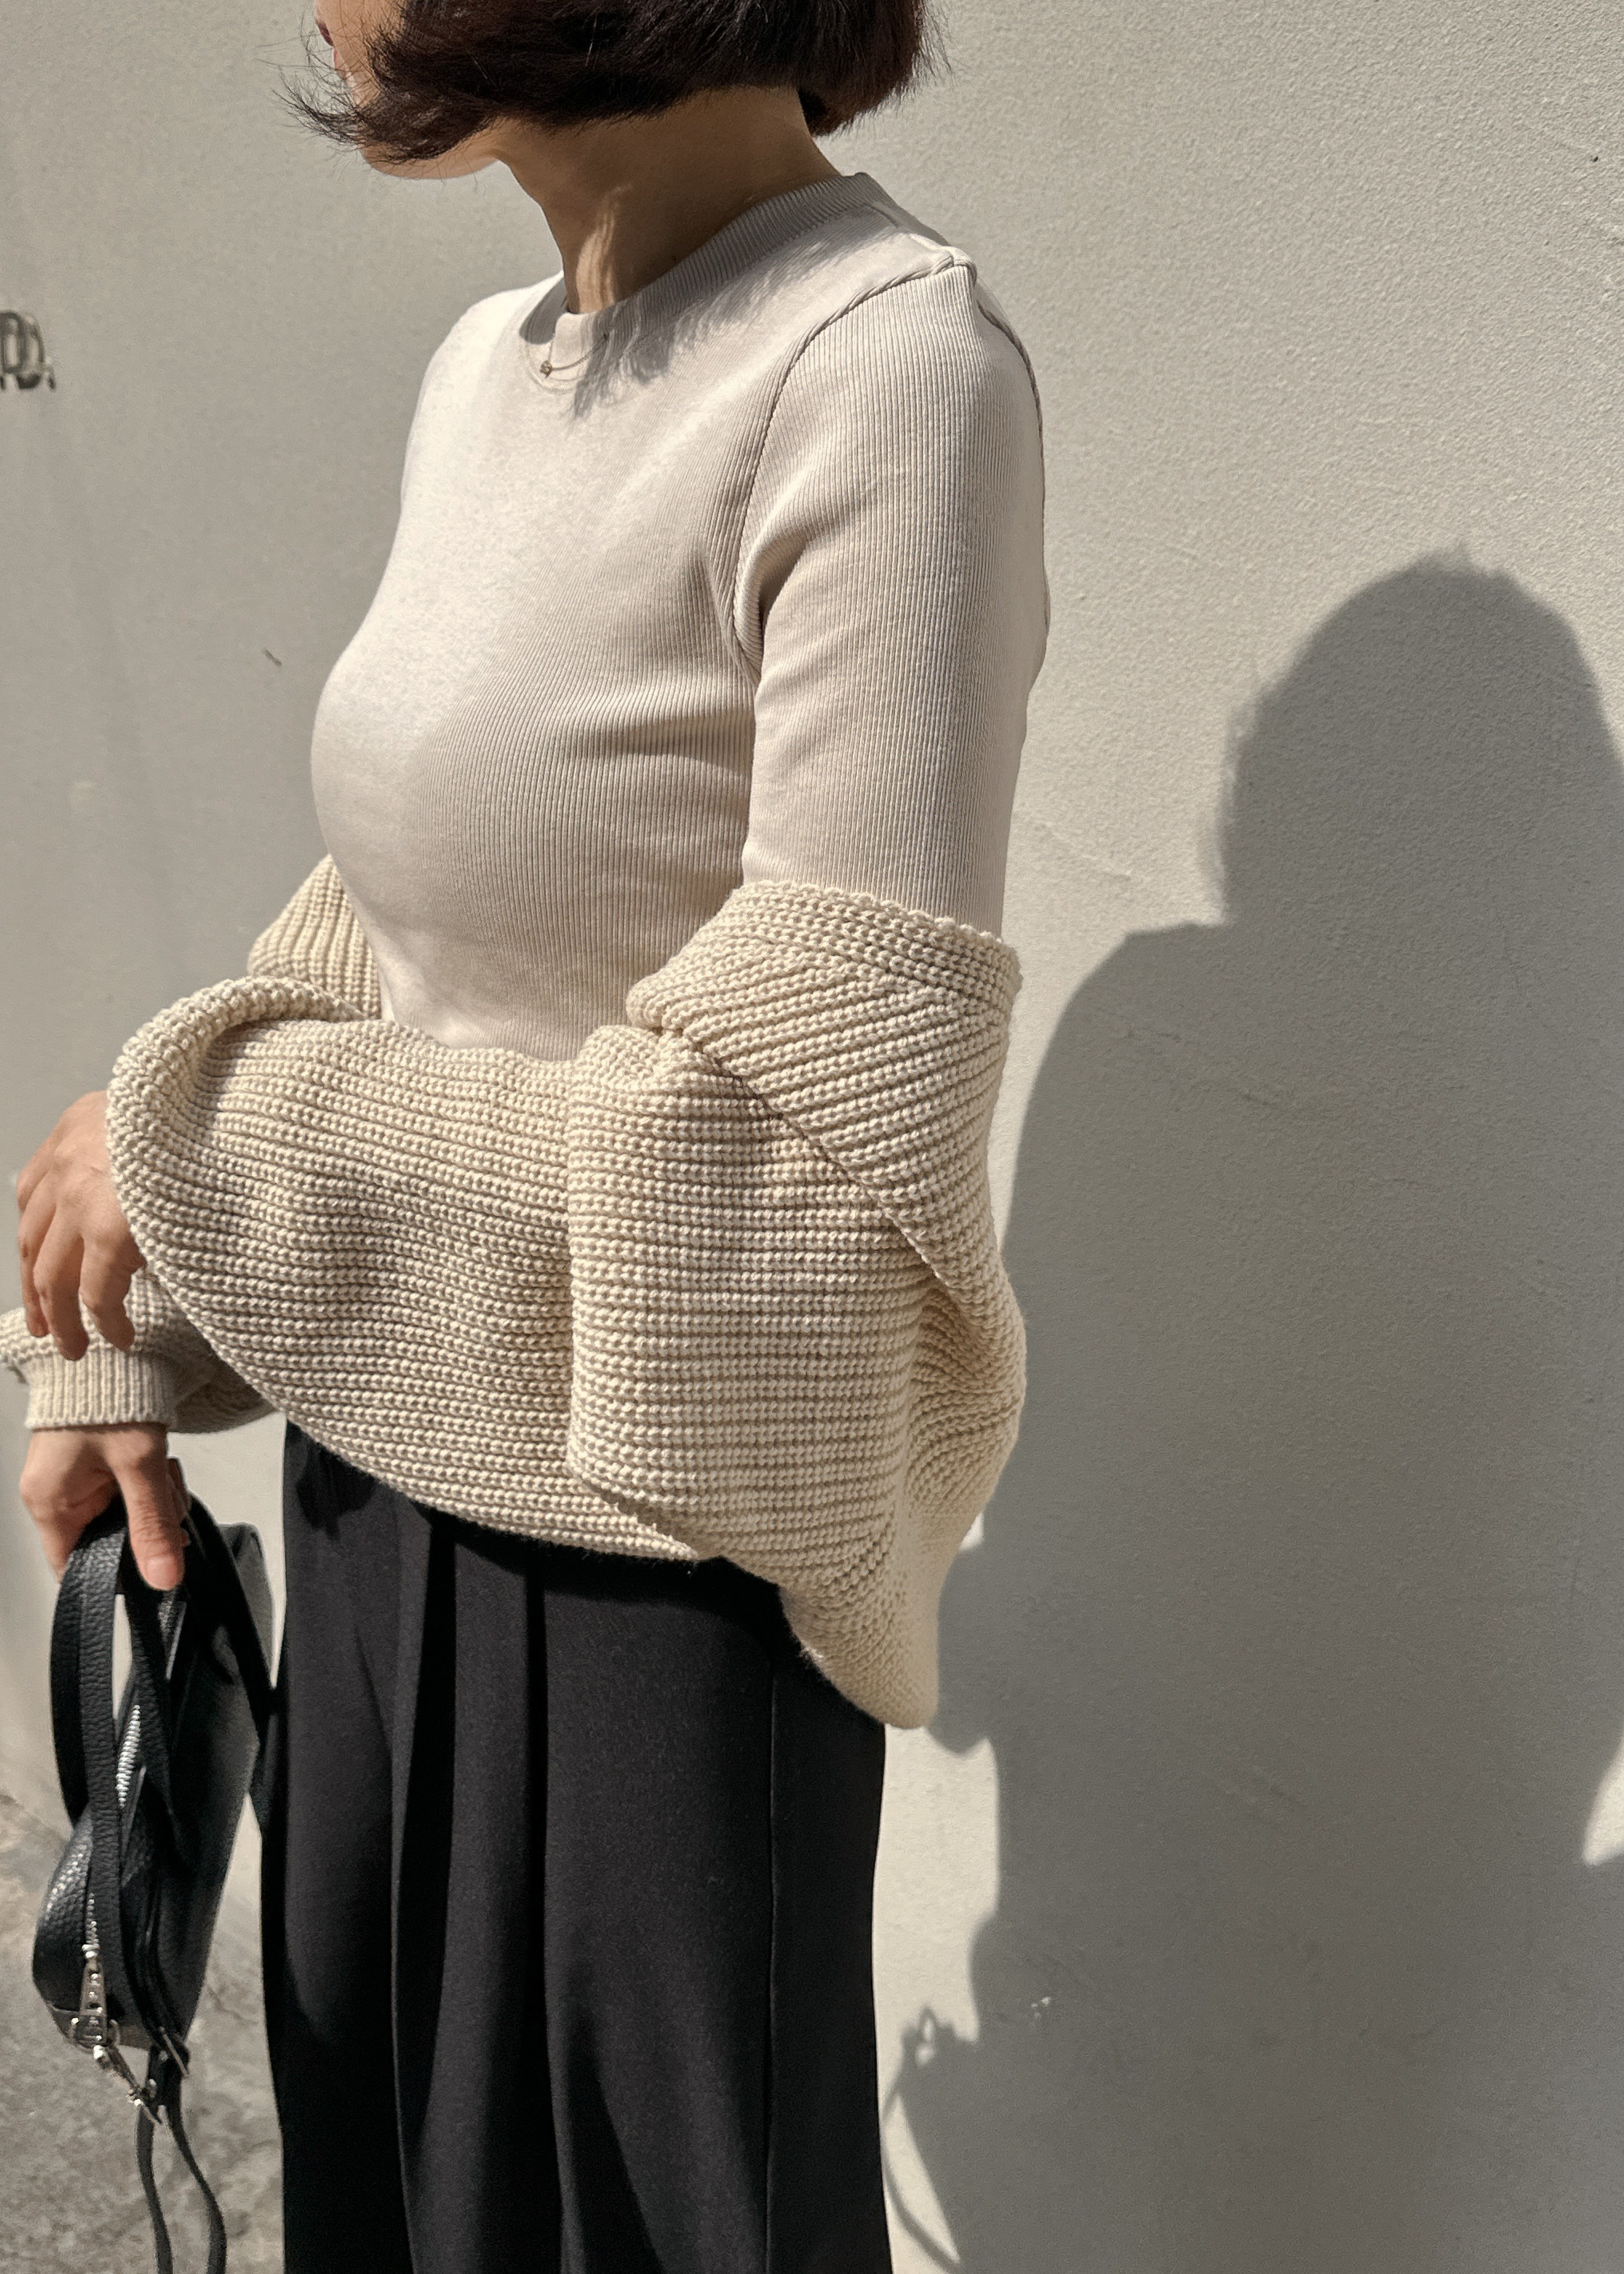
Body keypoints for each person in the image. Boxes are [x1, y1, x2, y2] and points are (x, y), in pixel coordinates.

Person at [5, 2, 1047, 2267]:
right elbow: (414, 934)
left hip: (661, 1581)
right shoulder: (490, 370)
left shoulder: (887, 374)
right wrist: (132, 1320)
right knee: (383, 2198)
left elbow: (791, 1196)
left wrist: (192, 1146)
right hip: (382, 1497)